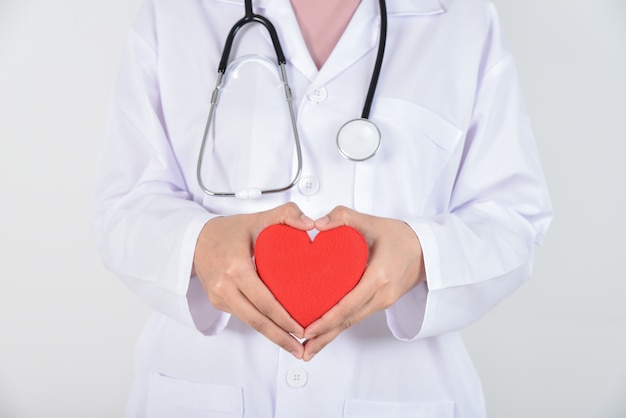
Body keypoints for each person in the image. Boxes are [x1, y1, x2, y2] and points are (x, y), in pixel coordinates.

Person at [93, 0, 552, 416]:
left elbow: (514, 216)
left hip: (402, 391)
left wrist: (421, 253)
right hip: (203, 390)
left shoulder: (464, 20)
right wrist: (198, 245)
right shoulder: (175, 15)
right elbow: (123, 205)